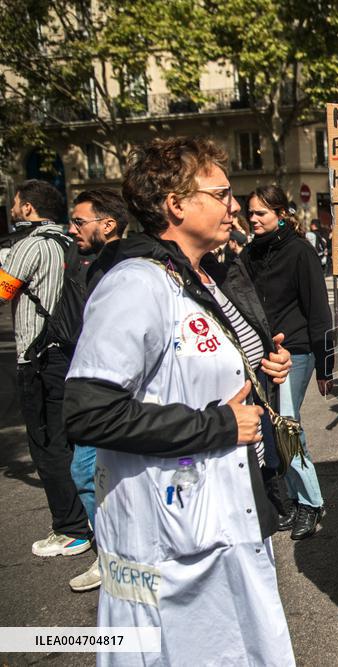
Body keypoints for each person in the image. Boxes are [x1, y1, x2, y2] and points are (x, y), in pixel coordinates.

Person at [62, 136, 295, 664]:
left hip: (224, 503)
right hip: (166, 526)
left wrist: (261, 370)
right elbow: (87, 411)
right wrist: (217, 426)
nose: (233, 205)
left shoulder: (202, 277)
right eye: (222, 193)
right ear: (176, 204)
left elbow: (200, 368)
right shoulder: (135, 284)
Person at [0, 180, 93, 560]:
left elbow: (3, 291)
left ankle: (70, 530)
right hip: (69, 350)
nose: (12, 208)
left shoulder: (31, 245)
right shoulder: (68, 242)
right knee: (68, 438)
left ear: (27, 208)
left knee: (46, 444)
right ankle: (85, 515)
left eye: (16, 202)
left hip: (38, 356)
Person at [244, 185, 332, 539]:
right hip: (262, 355)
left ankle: (312, 503)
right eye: (250, 213)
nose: (253, 219)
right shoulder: (249, 253)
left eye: (260, 213)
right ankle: (295, 499)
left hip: (296, 351)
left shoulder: (300, 251)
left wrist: (326, 366)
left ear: (281, 214)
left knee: (286, 426)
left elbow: (318, 312)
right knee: (273, 429)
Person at [63, 188, 131, 592]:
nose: (72, 229)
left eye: (79, 221)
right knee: (93, 473)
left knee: (86, 470)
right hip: (95, 385)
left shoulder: (127, 267)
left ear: (108, 224)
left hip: (112, 393)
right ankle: (113, 554)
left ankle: (114, 557)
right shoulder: (95, 263)